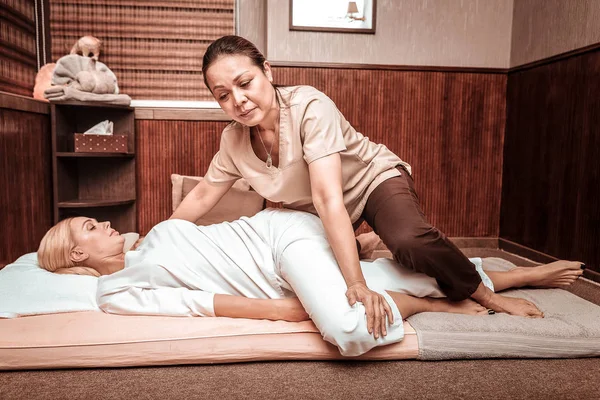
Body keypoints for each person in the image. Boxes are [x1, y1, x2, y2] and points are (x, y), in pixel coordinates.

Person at [170, 35, 584, 338]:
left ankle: (492, 293)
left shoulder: (309, 106)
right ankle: (390, 254)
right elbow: (205, 193)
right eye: (223, 95)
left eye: (245, 83)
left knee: (411, 243)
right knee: (346, 275)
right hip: (320, 217)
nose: (238, 100)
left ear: (268, 72)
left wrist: (357, 285)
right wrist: (160, 239)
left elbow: (329, 197)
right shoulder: (233, 139)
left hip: (369, 183)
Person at [37, 209, 584, 357]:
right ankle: (515, 277)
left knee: (347, 328)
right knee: (374, 282)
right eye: (90, 227)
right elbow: (205, 303)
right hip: (284, 270)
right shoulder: (115, 290)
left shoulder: (152, 236)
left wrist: (306, 307)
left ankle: (447, 299)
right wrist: (285, 312)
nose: (106, 224)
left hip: (282, 235)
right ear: (78, 252)